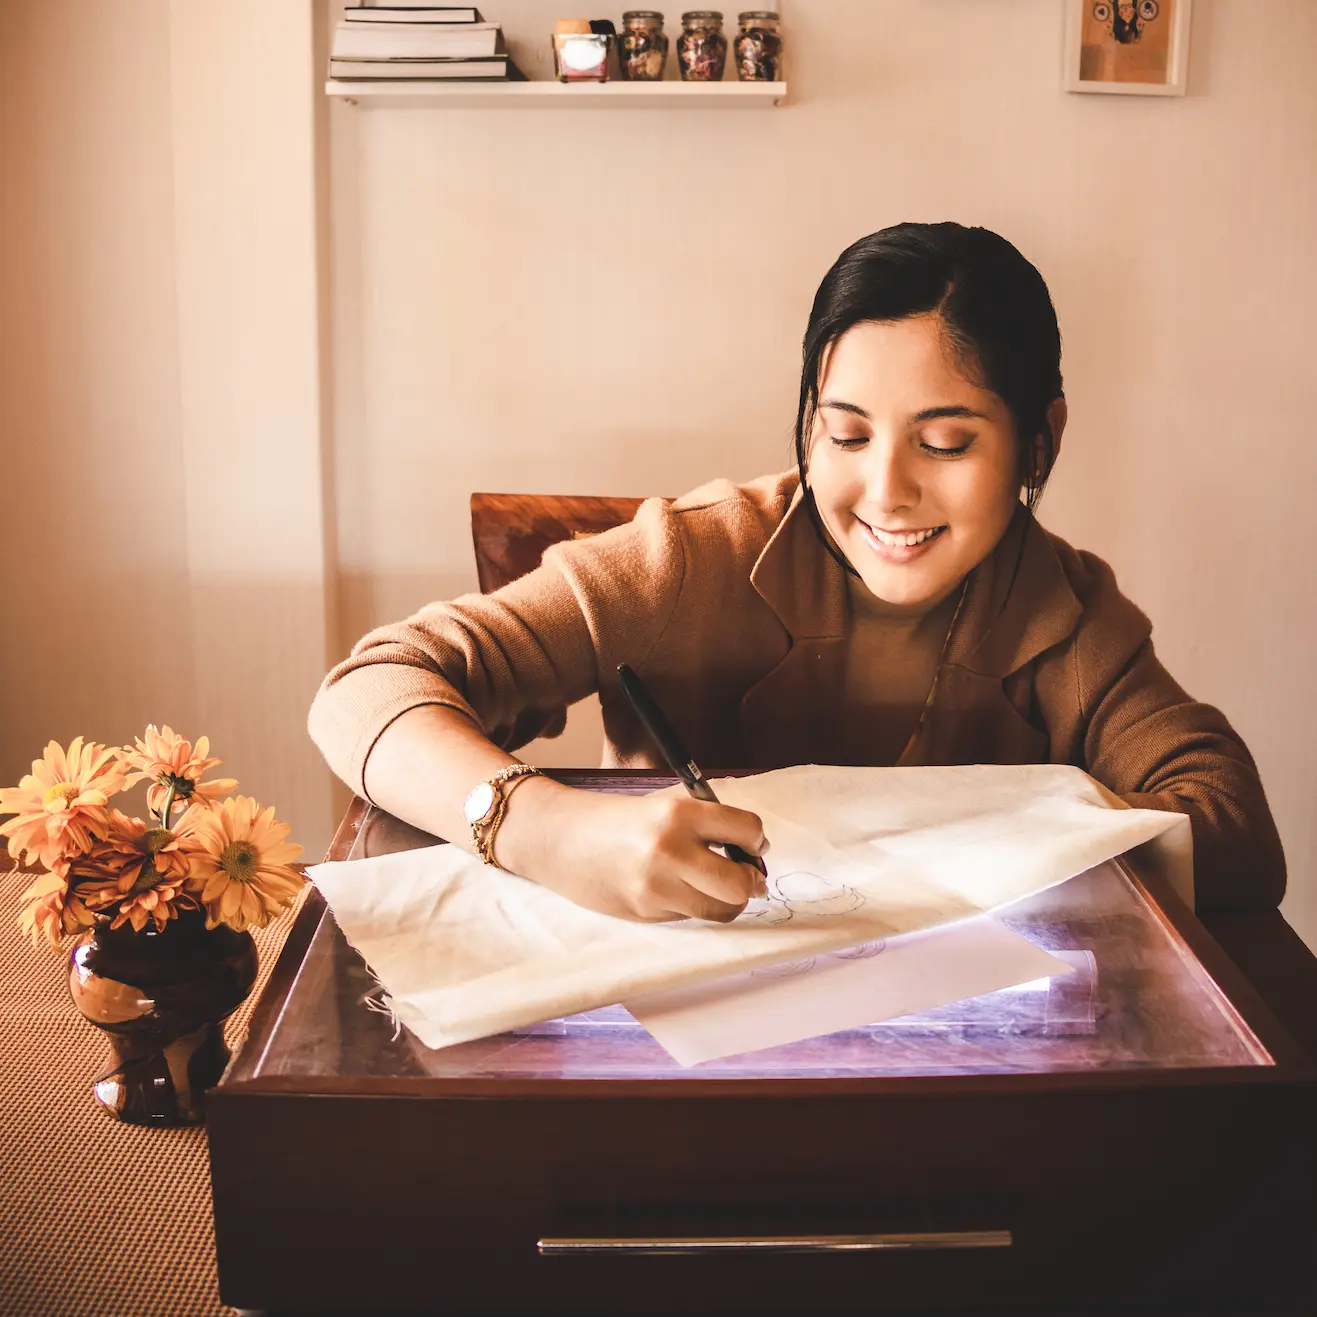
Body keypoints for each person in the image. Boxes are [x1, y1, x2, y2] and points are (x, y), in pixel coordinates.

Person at [309, 222, 1284, 924]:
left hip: (941, 1044)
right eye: (847, 434)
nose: (886, 490)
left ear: (1040, 439)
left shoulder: (1062, 614)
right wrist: (542, 828)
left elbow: (1237, 839)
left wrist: (1018, 836)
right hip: (667, 1017)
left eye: (945, 442)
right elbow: (366, 692)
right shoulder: (691, 560)